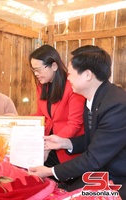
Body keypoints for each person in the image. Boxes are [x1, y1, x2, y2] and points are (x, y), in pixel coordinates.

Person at [29, 45, 126, 198]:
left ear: (87, 75)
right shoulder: (95, 98)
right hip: (100, 171)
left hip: (117, 178)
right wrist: (64, 143)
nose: (67, 78)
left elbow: (94, 158)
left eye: (70, 74)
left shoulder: (116, 106)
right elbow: (94, 140)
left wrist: (50, 171)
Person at [29, 44, 85, 167]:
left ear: (54, 66)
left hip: (67, 146)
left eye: (38, 69)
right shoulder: (42, 86)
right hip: (49, 141)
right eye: (33, 70)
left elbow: (74, 124)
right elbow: (41, 115)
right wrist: (18, 120)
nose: (36, 74)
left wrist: (51, 144)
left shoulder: (72, 86)